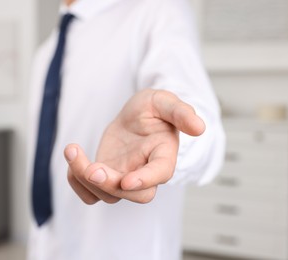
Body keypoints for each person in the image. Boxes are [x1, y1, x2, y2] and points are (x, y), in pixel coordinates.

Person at [27, 0, 225, 259]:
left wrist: (174, 140)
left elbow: (202, 123)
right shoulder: (45, 53)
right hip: (51, 243)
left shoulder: (159, 11)